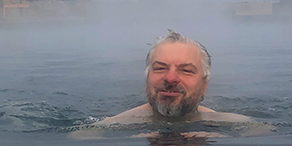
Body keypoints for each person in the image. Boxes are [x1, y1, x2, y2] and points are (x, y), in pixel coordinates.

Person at [79, 30, 271, 134]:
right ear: (147, 79)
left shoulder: (230, 125)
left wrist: (217, 142)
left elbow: (265, 134)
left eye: (186, 70)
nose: (170, 78)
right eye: (160, 68)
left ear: (204, 86)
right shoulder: (113, 126)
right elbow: (79, 136)